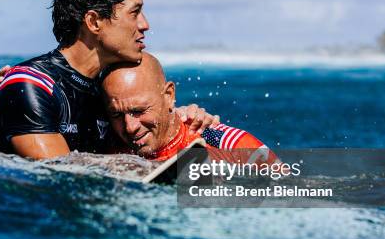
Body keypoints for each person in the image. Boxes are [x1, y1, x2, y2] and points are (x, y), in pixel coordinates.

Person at [0, 0, 218, 159]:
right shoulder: (30, 85)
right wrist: (138, 167)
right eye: (134, 13)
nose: (145, 24)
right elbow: (59, 173)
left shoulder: (106, 89)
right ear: (94, 22)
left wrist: (180, 117)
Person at [101, 52, 279, 163]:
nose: (130, 127)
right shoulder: (104, 145)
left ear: (169, 96)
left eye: (139, 111)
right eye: (116, 114)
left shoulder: (228, 144)